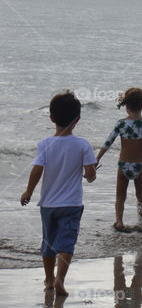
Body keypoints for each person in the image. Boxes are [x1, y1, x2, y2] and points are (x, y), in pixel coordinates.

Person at [20, 91, 98, 296]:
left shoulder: (45, 144)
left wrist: (28, 191)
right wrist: (90, 174)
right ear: (78, 120)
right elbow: (90, 175)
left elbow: (37, 170)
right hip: (72, 204)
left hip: (48, 205)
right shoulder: (83, 144)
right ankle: (60, 280)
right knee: (67, 242)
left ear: (51, 117)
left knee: (48, 241)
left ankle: (48, 278)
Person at [95, 87, 142, 231]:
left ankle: (119, 222)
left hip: (123, 165)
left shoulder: (121, 123)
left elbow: (108, 142)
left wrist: (97, 158)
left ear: (126, 105)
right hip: (139, 166)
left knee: (120, 196)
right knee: (141, 196)